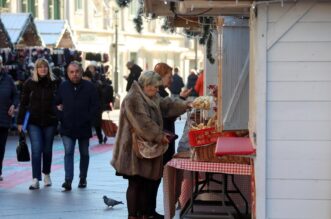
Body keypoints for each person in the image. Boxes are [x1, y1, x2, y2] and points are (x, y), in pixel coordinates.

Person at [111, 71, 190, 219]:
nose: (157, 90)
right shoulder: (133, 99)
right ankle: (133, 215)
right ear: (146, 85)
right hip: (132, 149)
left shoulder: (151, 95)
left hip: (146, 147)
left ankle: (145, 213)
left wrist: (186, 105)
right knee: (135, 183)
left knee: (145, 182)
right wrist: (159, 136)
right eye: (154, 87)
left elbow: (167, 106)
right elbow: (143, 123)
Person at [150, 63, 191, 218]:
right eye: (169, 76)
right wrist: (182, 101)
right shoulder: (156, 93)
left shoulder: (162, 92)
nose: (172, 79)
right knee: (154, 178)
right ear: (160, 77)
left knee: (157, 177)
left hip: (166, 137)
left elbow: (168, 110)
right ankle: (149, 211)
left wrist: (181, 99)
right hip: (162, 138)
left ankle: (150, 210)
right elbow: (165, 113)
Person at [56, 61, 100, 191]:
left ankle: (82, 178)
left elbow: (96, 106)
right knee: (68, 152)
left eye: (77, 72)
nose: (74, 74)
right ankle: (68, 180)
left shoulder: (89, 86)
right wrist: (61, 116)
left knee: (84, 153)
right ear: (68, 73)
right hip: (67, 126)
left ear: (81, 72)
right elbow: (55, 103)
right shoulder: (63, 86)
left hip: (83, 126)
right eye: (71, 72)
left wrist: (88, 119)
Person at [17, 58, 60, 190]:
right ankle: (35, 178)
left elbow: (60, 99)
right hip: (33, 121)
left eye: (45, 67)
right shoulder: (29, 83)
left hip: (50, 121)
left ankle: (46, 173)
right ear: (36, 69)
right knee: (36, 150)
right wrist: (20, 122)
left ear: (48, 69)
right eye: (40, 67)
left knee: (47, 150)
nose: (43, 69)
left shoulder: (55, 82)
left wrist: (59, 110)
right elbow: (23, 104)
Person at [0, 56, 18, 181]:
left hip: (3, 119)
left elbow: (16, 95)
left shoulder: (8, 79)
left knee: (0, 147)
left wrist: (14, 104)